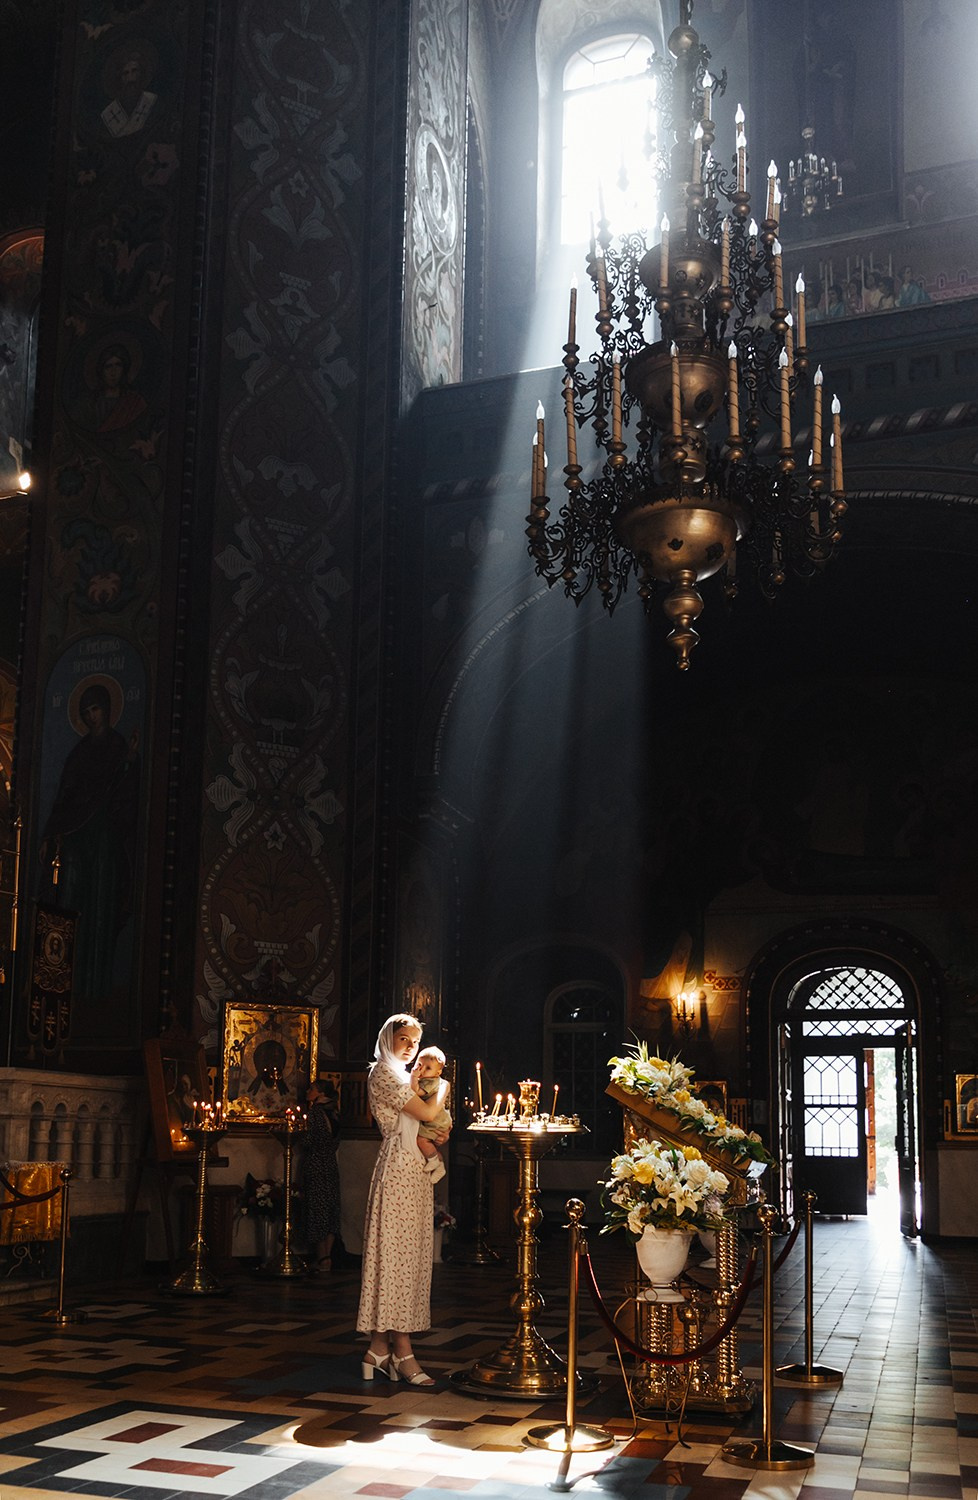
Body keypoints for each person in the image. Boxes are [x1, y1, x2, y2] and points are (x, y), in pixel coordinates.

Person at [356, 1013, 450, 1386]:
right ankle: (404, 1353)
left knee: (407, 1259)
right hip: (398, 1166)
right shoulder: (384, 1073)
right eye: (404, 1039)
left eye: (415, 1041)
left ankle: (379, 1349)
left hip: (413, 1168)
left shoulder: (404, 1075)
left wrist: (439, 1133)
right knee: (396, 1258)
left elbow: (431, 1121)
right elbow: (428, 1111)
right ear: (387, 1039)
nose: (411, 1047)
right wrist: (443, 1088)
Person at [303, 1077, 341, 1271]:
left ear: (320, 1093)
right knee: (330, 1207)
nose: (308, 1091)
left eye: (312, 1088)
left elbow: (309, 1140)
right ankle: (328, 1257)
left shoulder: (316, 1113)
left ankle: (322, 1258)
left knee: (318, 1207)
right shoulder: (334, 1111)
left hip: (316, 1162)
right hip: (331, 1163)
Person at [411, 1046, 452, 1184]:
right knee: (426, 1141)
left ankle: (435, 1162)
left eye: (428, 1068)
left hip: (436, 1120)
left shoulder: (431, 1082)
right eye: (419, 1065)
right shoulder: (427, 1080)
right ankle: (439, 1163)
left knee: (422, 1140)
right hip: (438, 1119)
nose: (421, 1070)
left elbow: (415, 1092)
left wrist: (413, 1077)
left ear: (438, 1072)